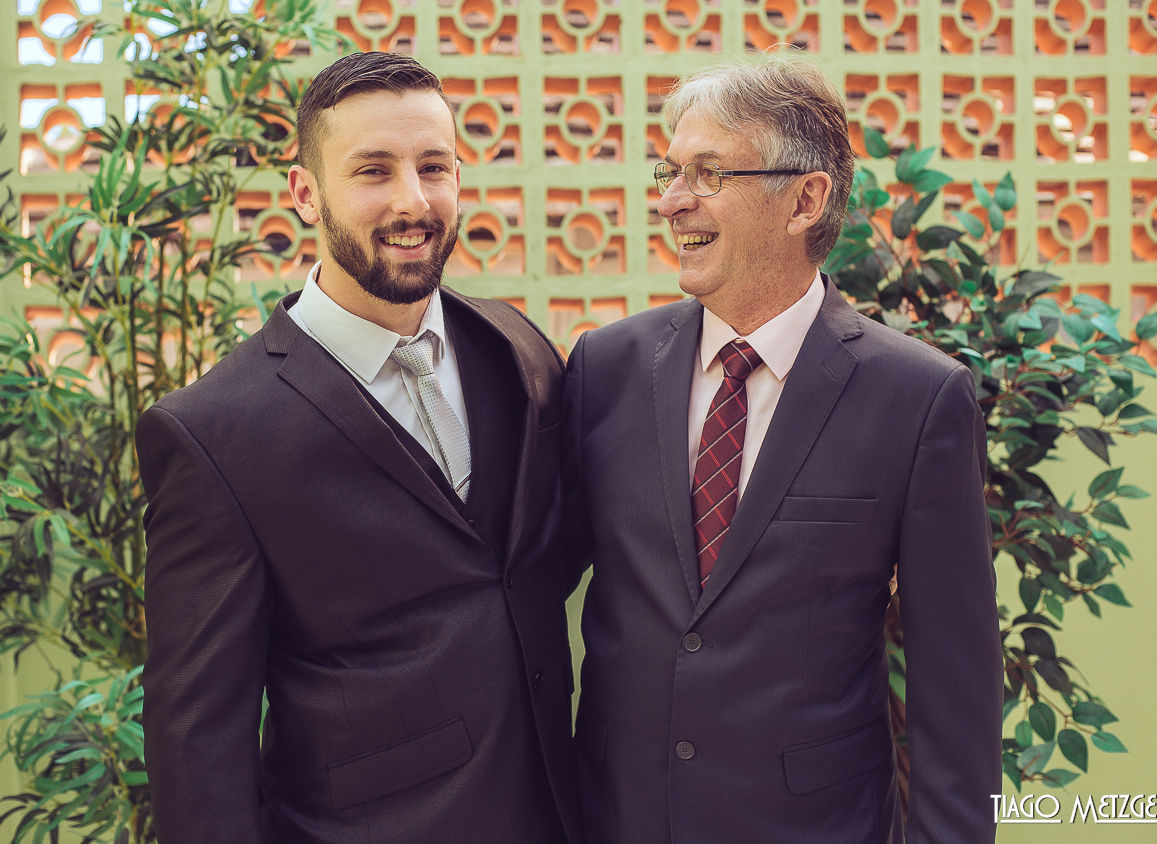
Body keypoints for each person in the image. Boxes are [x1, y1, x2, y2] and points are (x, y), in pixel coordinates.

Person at [137, 52, 578, 844]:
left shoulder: (517, 348)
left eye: (433, 167)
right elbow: (198, 739)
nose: (413, 201)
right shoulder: (212, 433)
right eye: (374, 170)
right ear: (305, 193)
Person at [563, 54, 1002, 844]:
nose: (671, 201)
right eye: (669, 172)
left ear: (806, 198)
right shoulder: (604, 369)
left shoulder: (919, 398)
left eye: (708, 173)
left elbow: (956, 686)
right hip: (619, 819)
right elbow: (525, 588)